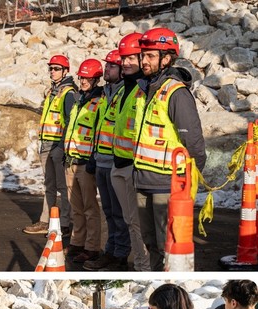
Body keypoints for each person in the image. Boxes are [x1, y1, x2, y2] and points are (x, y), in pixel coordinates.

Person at [134, 28, 206, 271]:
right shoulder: (145, 89)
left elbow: (193, 142)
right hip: (143, 181)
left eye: (150, 56)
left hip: (167, 185)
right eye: (143, 55)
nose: (143, 60)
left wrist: (188, 182)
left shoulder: (176, 93)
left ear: (166, 58)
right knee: (150, 243)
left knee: (169, 245)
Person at [83, 50, 131, 272]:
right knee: (110, 213)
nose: (106, 70)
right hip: (101, 160)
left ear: (121, 71)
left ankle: (119, 255)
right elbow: (98, 127)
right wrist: (93, 155)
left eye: (112, 66)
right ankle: (111, 251)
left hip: (115, 162)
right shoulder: (106, 94)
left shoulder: (124, 93)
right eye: (107, 66)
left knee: (120, 214)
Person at [23, 55, 76, 237]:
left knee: (62, 186)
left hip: (57, 146)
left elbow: (70, 121)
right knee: (49, 185)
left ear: (65, 71)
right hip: (46, 144)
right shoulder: (52, 91)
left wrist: (61, 147)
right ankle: (46, 221)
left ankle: (66, 223)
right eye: (51, 68)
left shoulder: (68, 93)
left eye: (56, 68)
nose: (52, 72)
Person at [110, 32, 150, 272]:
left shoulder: (144, 89)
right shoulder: (124, 88)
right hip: (119, 163)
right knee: (129, 221)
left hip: (135, 168)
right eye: (123, 58)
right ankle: (140, 263)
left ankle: (144, 267)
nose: (125, 63)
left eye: (131, 58)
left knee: (137, 223)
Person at [63, 59, 104, 265]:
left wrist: (92, 159)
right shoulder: (79, 100)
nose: (83, 81)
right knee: (75, 208)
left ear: (96, 79)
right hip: (71, 161)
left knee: (89, 208)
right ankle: (77, 242)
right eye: (81, 77)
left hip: (86, 163)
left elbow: (98, 134)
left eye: (87, 78)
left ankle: (92, 247)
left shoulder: (99, 102)